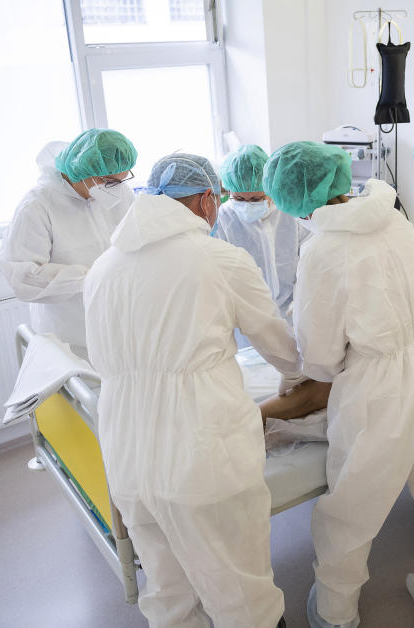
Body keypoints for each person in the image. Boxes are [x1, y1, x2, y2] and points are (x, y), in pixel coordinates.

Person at [264, 141, 414, 628]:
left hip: (381, 390)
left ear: (295, 201)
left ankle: (335, 613)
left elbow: (321, 361)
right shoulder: (391, 216)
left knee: (352, 508)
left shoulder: (322, 250)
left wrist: (306, 364)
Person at [84, 153, 299, 628]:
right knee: (239, 585)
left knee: (167, 589)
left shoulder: (103, 267)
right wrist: (319, 362)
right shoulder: (219, 259)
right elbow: (281, 347)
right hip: (201, 444)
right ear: (206, 200)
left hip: (126, 447)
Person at [0, 128, 137, 359]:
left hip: (120, 327)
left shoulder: (119, 193)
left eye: (122, 180)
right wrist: (90, 277)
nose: (117, 189)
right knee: (86, 391)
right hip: (71, 335)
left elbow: (135, 241)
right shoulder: (38, 206)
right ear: (83, 173)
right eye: (111, 182)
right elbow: (24, 278)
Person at [215, 144, 310, 321]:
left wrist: (301, 298)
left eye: (256, 199)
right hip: (245, 317)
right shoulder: (224, 218)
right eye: (240, 199)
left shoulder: (289, 211)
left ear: (270, 188)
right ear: (229, 192)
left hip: (292, 311)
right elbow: (220, 274)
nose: (248, 204)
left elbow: (309, 258)